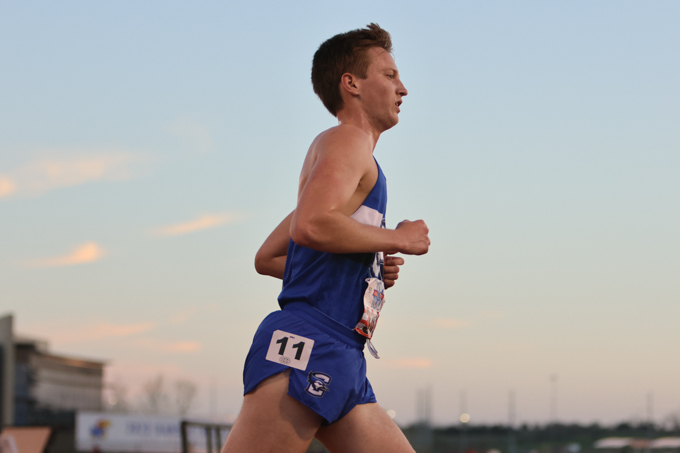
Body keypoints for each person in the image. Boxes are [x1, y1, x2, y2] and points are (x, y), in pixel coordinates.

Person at [222, 23, 430, 453]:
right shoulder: (347, 140)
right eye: (389, 75)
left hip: (343, 352)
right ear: (351, 84)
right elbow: (313, 226)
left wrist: (363, 266)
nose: (403, 88)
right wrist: (397, 239)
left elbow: (271, 256)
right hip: (307, 343)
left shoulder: (350, 162)